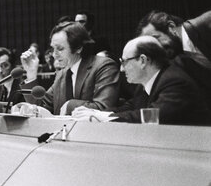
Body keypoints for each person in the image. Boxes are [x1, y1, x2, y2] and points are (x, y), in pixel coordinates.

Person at [72, 36, 211, 126]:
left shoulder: (175, 82)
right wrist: (97, 113)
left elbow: (153, 117)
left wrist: (102, 118)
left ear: (143, 60)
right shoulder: (147, 82)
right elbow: (131, 108)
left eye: (124, 62)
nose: (121, 69)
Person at [18, 21, 120, 115]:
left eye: (60, 49)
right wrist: (31, 73)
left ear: (79, 48)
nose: (54, 54)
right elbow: (41, 106)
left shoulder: (104, 66)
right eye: (53, 48)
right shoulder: (61, 74)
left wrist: (70, 105)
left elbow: (105, 107)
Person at [136, 10, 211, 109]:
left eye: (155, 39)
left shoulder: (206, 22)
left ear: (171, 27)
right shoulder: (181, 61)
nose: (156, 48)